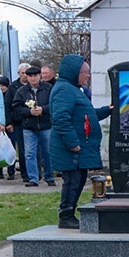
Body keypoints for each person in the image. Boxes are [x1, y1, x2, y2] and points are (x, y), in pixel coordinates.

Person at [49, 55, 115, 229]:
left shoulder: (73, 89)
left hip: (76, 148)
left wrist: (106, 111)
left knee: (78, 180)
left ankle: (69, 213)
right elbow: (61, 119)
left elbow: (87, 115)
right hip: (71, 148)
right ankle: (66, 215)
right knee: (72, 181)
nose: (88, 76)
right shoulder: (65, 90)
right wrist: (73, 143)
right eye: (86, 72)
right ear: (74, 72)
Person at [12, 66, 54, 186]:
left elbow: (54, 104)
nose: (33, 78)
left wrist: (43, 109)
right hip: (29, 127)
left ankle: (49, 176)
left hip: (46, 125)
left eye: (36, 75)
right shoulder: (21, 91)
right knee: (29, 153)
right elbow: (16, 107)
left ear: (40, 76)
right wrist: (29, 112)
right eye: (31, 76)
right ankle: (33, 178)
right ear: (27, 77)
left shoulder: (48, 89)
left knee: (48, 152)